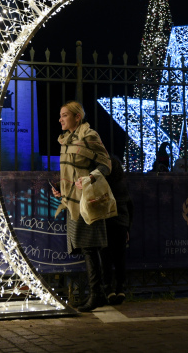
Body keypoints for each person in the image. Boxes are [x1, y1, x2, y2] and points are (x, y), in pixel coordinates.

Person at [51, 101, 112, 312]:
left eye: (65, 115)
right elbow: (71, 171)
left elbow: (106, 164)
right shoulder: (66, 140)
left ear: (78, 117)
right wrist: (62, 188)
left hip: (87, 200)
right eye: (60, 115)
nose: (60, 119)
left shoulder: (89, 136)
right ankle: (98, 294)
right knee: (86, 249)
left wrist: (91, 179)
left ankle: (97, 295)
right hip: (72, 201)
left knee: (90, 248)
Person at [101, 154, 133, 305]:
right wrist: (127, 227)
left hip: (105, 224)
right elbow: (129, 207)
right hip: (120, 225)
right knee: (120, 258)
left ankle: (108, 289)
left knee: (105, 258)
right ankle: (121, 288)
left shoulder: (103, 185)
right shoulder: (121, 185)